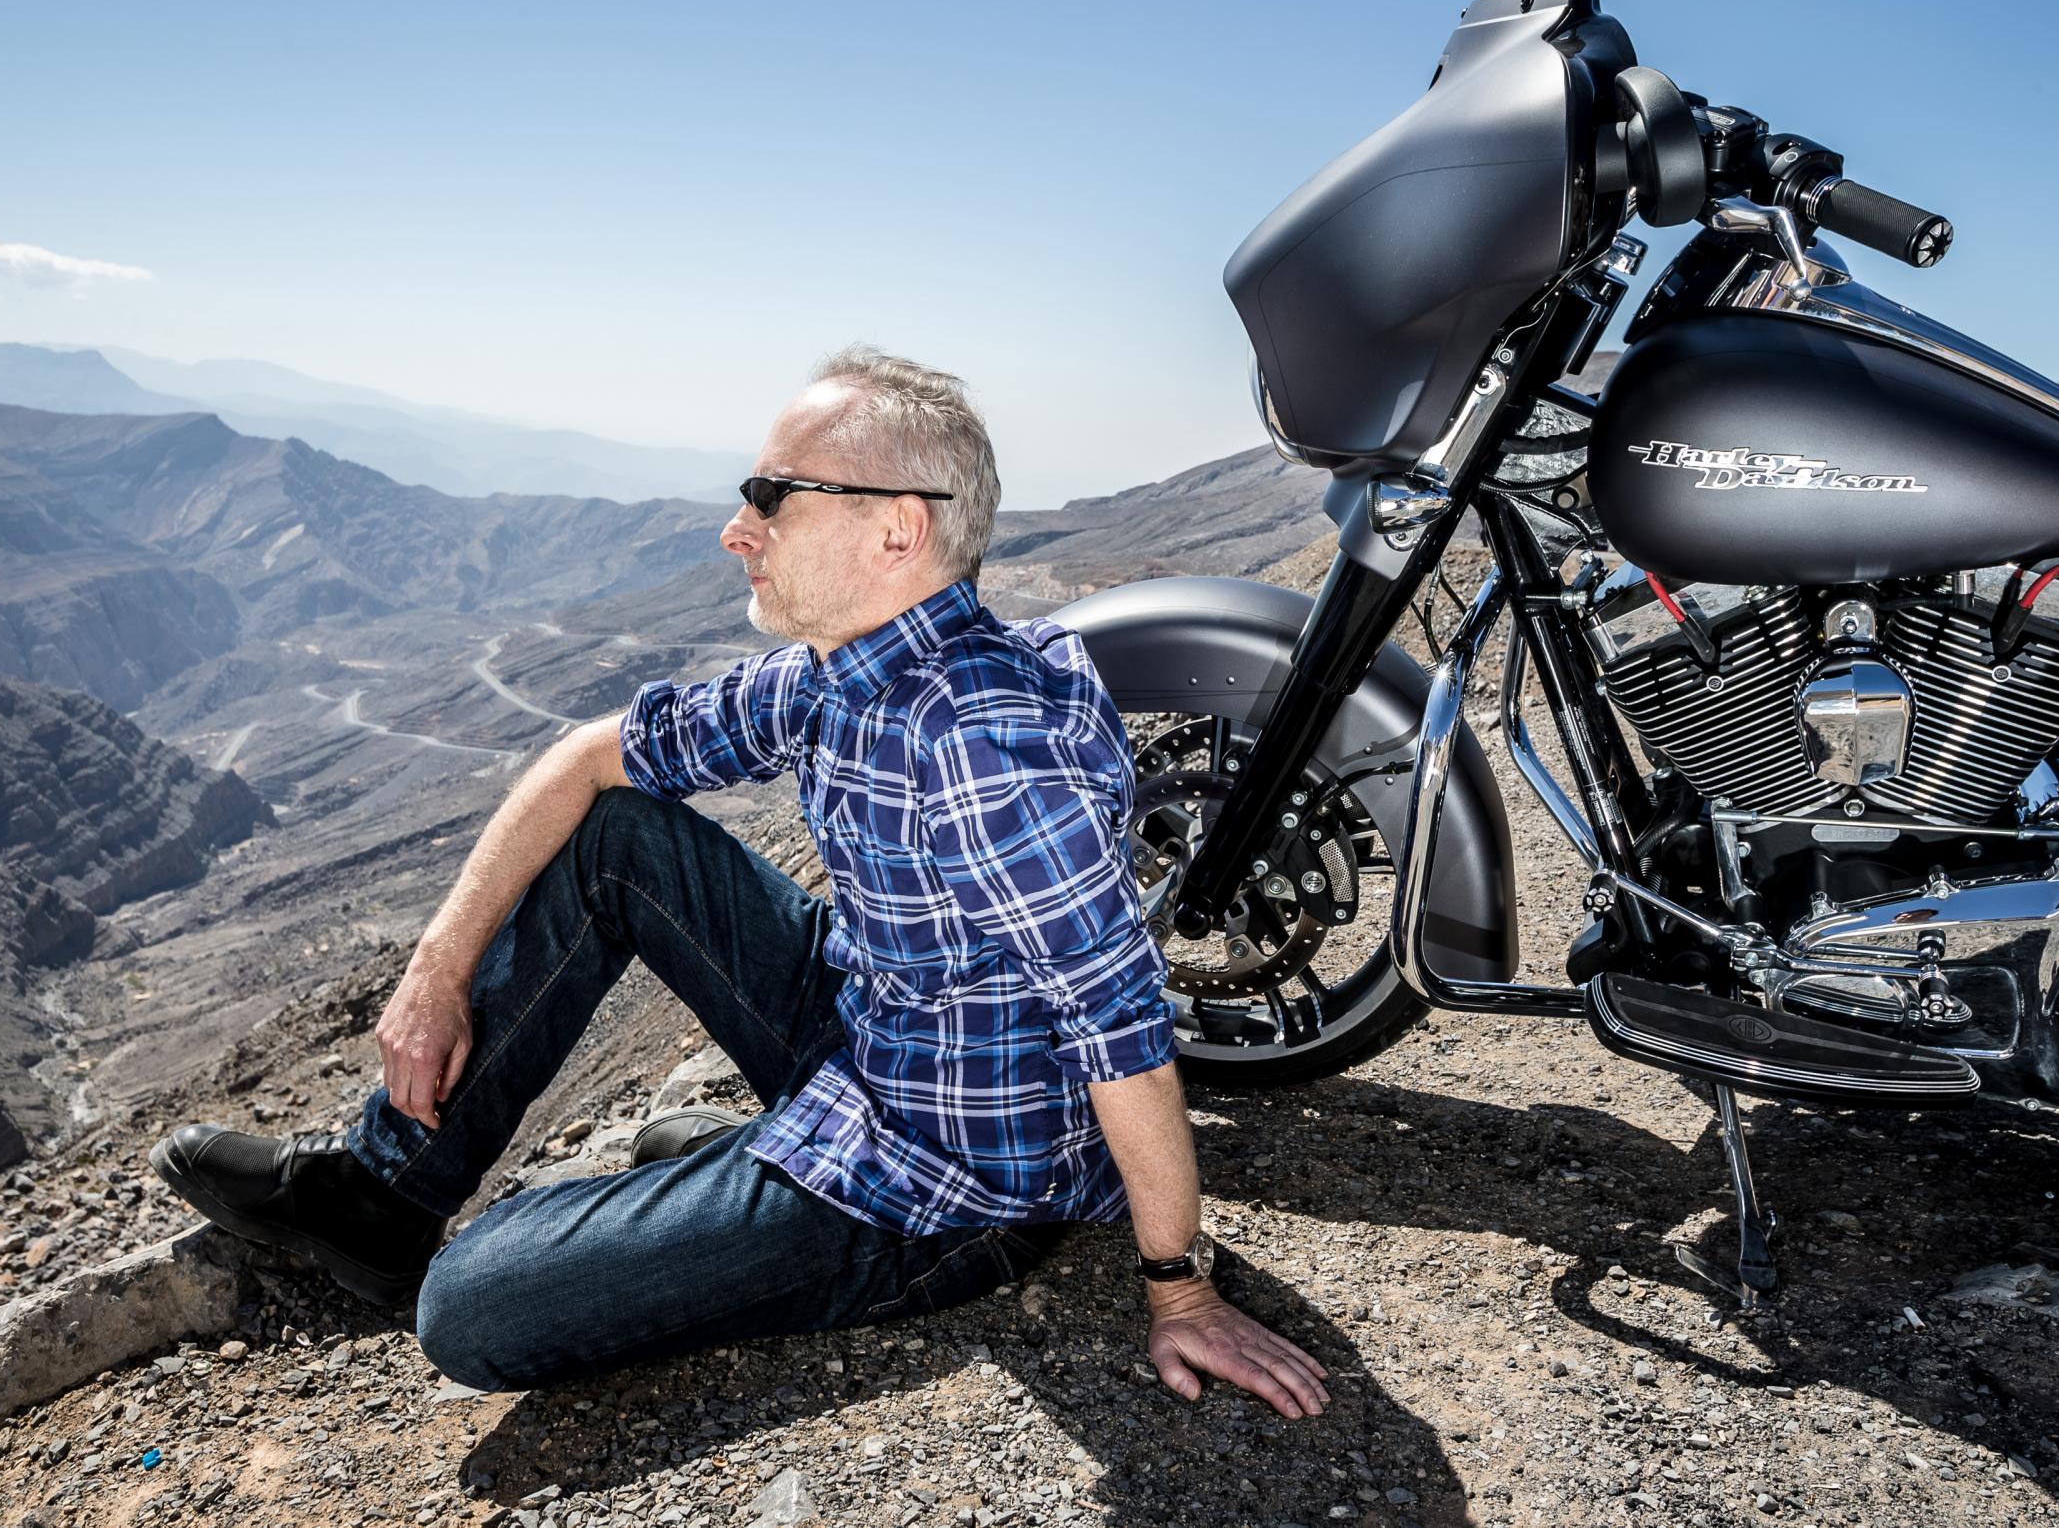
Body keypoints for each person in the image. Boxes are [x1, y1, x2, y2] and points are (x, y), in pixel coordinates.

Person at [150, 347, 1330, 1418]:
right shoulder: (848, 671)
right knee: (620, 834)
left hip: (955, 1178)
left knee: (467, 1308)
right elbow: (587, 757)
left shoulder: (982, 748)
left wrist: (1177, 1289)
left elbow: (1121, 1031)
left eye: (772, 496)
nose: (735, 527)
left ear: (896, 531)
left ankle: (725, 1183)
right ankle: (379, 1191)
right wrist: (434, 973)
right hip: (877, 1029)